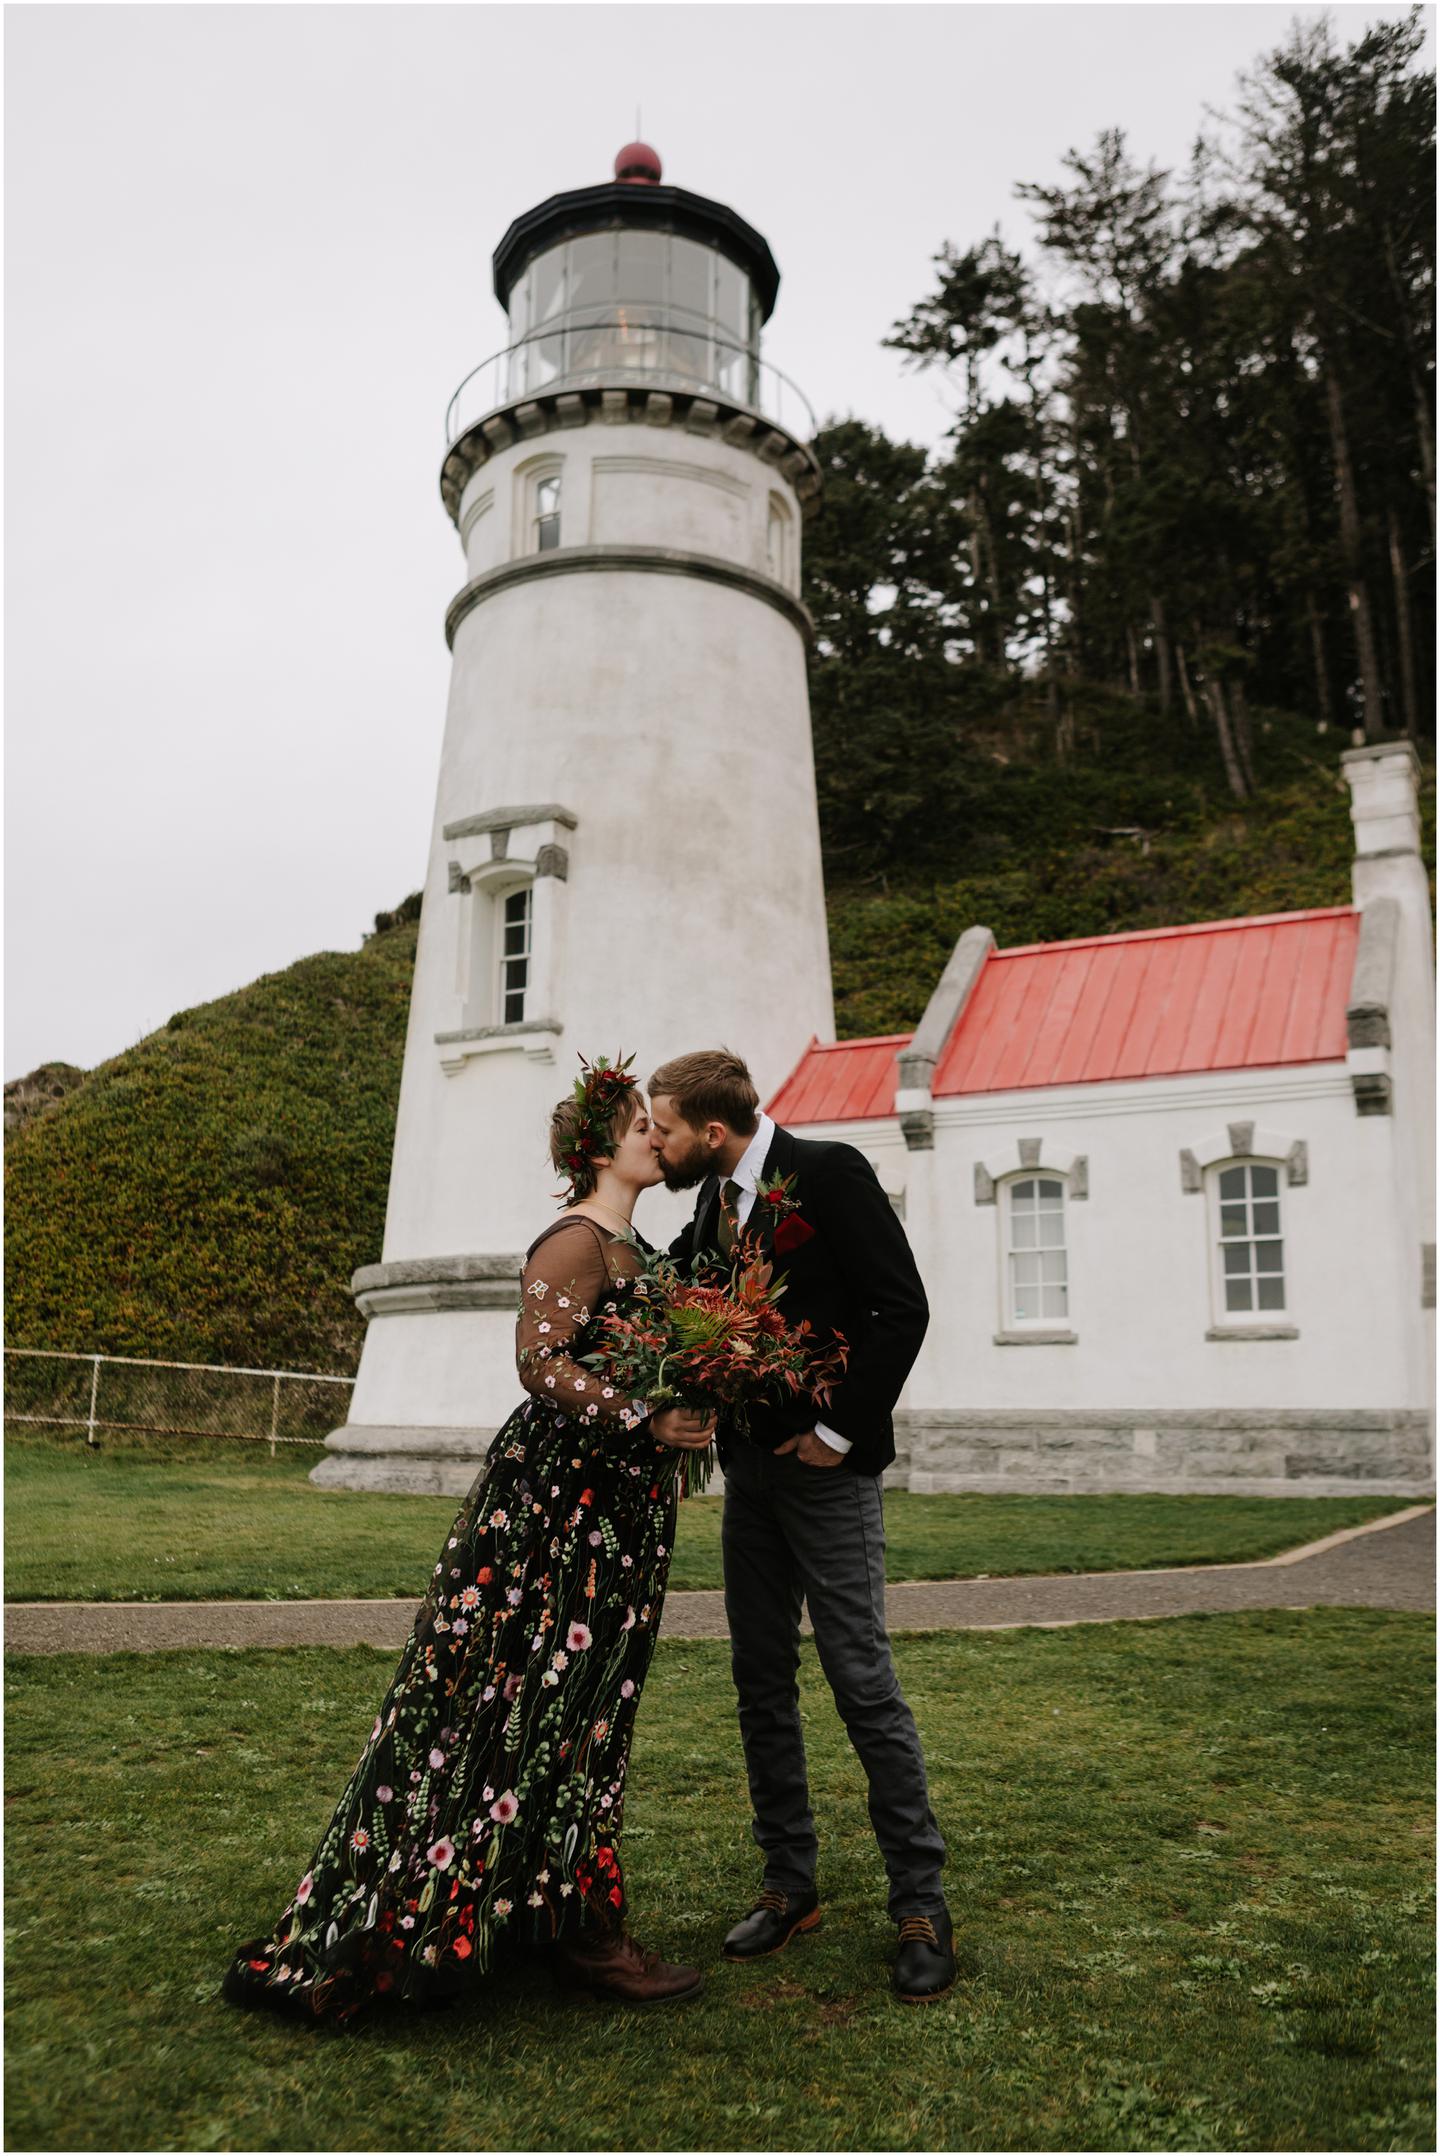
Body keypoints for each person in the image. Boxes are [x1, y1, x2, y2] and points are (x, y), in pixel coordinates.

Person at [221, 1059, 715, 2024]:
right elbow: (539, 1363)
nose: (658, 1137)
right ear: (599, 1147)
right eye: (641, 1126)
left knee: (586, 1710)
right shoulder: (576, 1241)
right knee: (516, 1702)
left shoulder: (637, 1245)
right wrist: (641, 1419)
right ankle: (538, 1923)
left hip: (618, 1510)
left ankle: (554, 1909)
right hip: (558, 1510)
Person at [648, 1048, 956, 2004]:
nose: (655, 1147)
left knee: (860, 1679)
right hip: (749, 1478)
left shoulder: (829, 1173)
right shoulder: (707, 1208)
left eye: (662, 1132)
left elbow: (900, 1309)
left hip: (828, 1476)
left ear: (712, 1131)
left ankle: (921, 1903)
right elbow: (679, 1303)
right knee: (759, 1679)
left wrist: (836, 1429)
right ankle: (790, 1886)